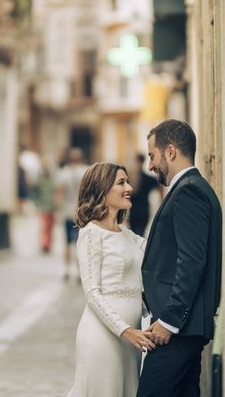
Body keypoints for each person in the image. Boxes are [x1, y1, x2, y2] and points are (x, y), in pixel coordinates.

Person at [138, 120, 222, 397]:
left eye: (152, 155)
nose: (150, 165)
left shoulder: (189, 191)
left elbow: (191, 262)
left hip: (178, 331)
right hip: (185, 329)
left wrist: (169, 321)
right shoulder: (191, 187)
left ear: (170, 151)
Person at [67, 162, 155, 397]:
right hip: (103, 338)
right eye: (121, 183)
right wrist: (125, 330)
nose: (129, 187)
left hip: (131, 343)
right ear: (102, 189)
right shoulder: (91, 235)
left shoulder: (128, 236)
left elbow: (159, 251)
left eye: (128, 181)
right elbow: (92, 293)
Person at [55, 148, 89, 280]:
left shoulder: (64, 173)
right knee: (81, 243)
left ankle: (67, 270)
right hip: (83, 213)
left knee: (67, 242)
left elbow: (58, 194)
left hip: (68, 213)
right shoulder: (87, 171)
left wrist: (58, 210)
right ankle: (80, 271)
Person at [129, 153, 160, 237]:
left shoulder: (130, 178)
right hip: (140, 210)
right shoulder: (146, 178)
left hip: (138, 211)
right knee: (137, 234)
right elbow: (159, 186)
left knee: (135, 234)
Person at [33, 162, 56, 253]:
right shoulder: (39, 181)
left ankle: (48, 244)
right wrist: (37, 204)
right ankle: (44, 244)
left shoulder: (52, 180)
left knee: (50, 226)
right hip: (43, 207)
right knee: (45, 226)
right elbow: (35, 193)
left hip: (52, 206)